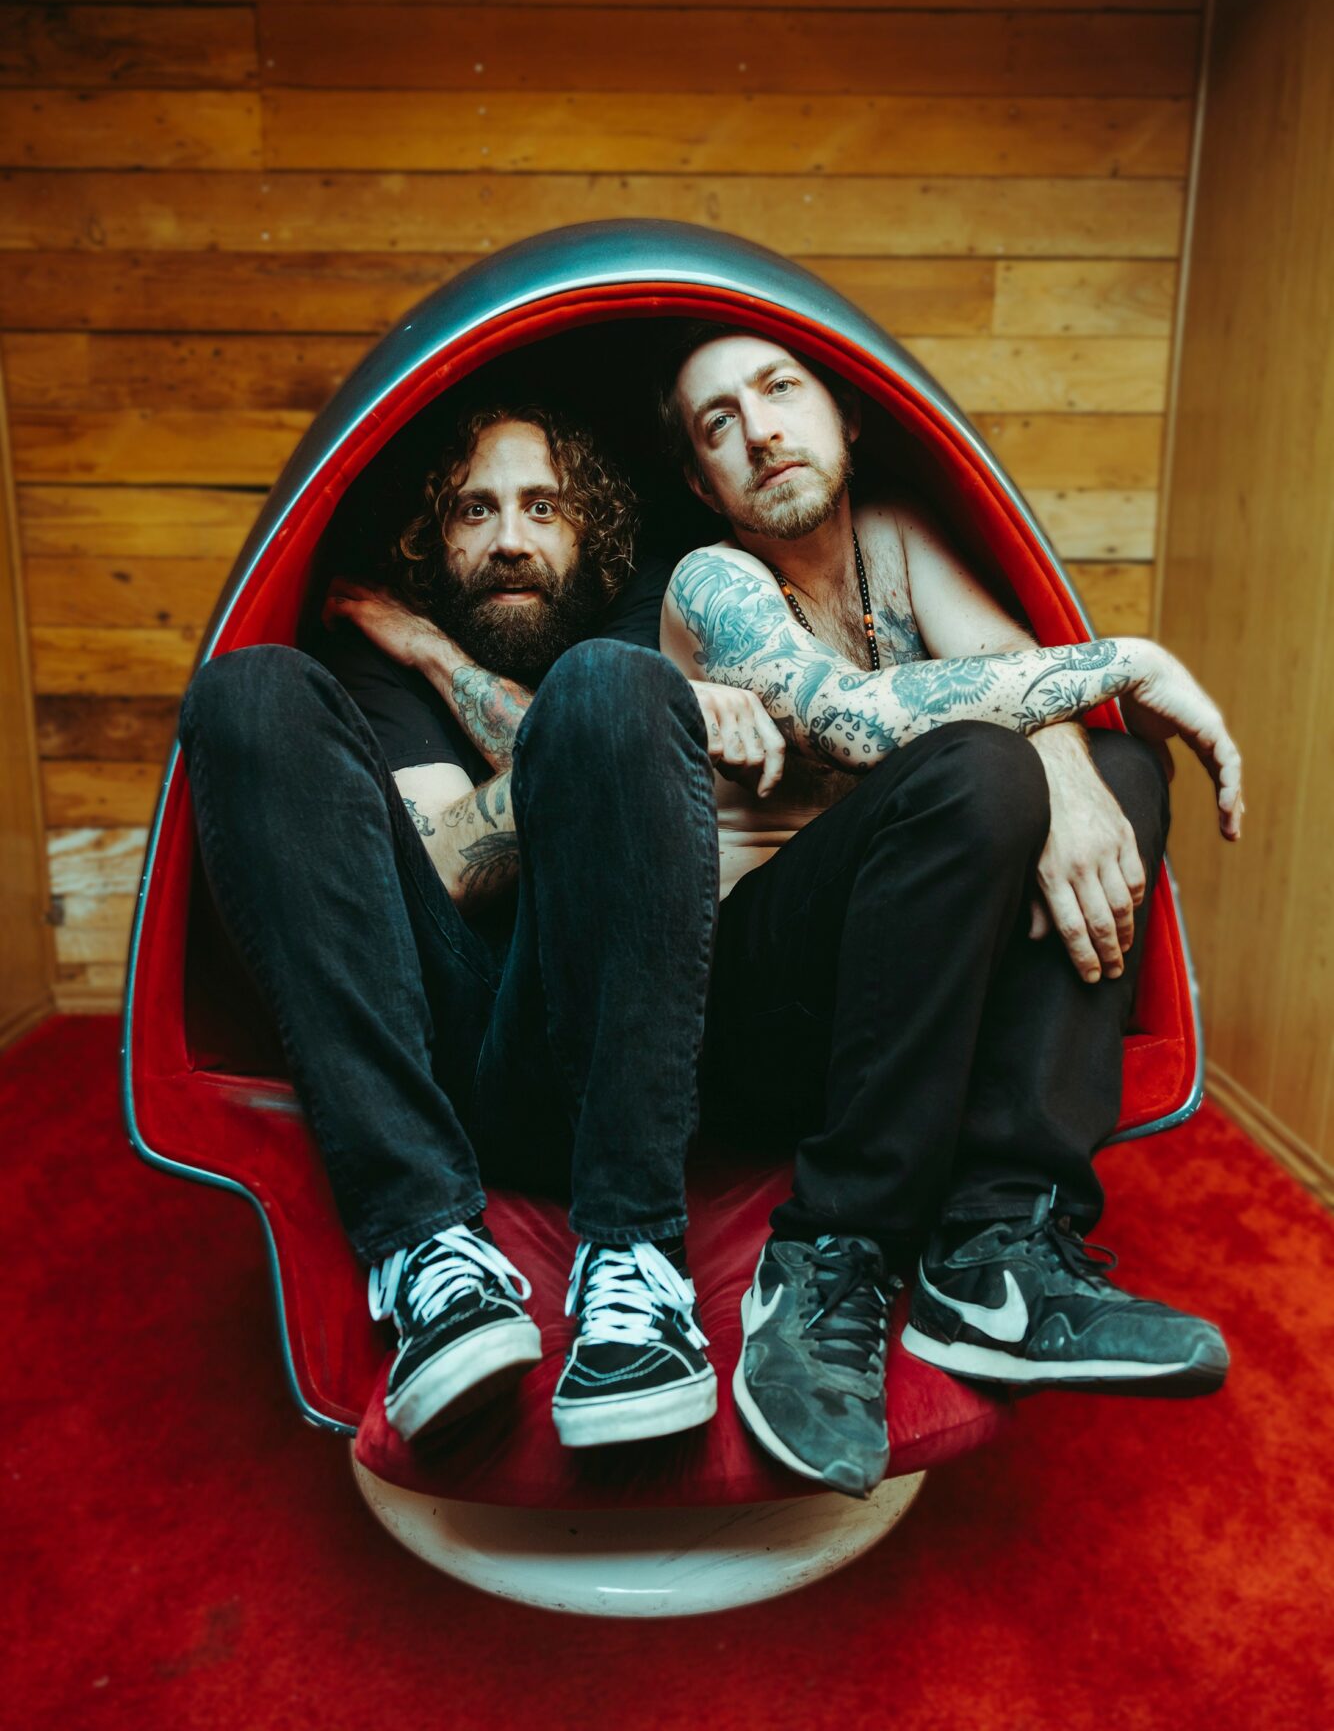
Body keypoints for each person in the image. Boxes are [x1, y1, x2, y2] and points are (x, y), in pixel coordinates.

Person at [657, 324, 1242, 1499]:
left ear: (845, 415)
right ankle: (831, 1251)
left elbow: (1008, 662)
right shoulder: (710, 580)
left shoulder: (893, 535)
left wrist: (1070, 771)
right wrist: (1123, 661)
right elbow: (845, 717)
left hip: (908, 1009)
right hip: (751, 1023)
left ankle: (995, 1250)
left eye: (779, 389)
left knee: (1116, 775)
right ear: (702, 481)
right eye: (720, 421)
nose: (760, 429)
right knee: (979, 762)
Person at [177, 402, 774, 1453]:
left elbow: (601, 749)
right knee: (248, 692)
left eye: (542, 506)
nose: (508, 538)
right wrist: (431, 668)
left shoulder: (644, 603)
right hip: (439, 1049)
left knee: (608, 690)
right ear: (434, 535)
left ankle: (635, 1259)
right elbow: (447, 867)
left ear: (589, 527)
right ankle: (428, 1254)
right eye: (474, 509)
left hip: (628, 1046)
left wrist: (434, 655)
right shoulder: (374, 651)